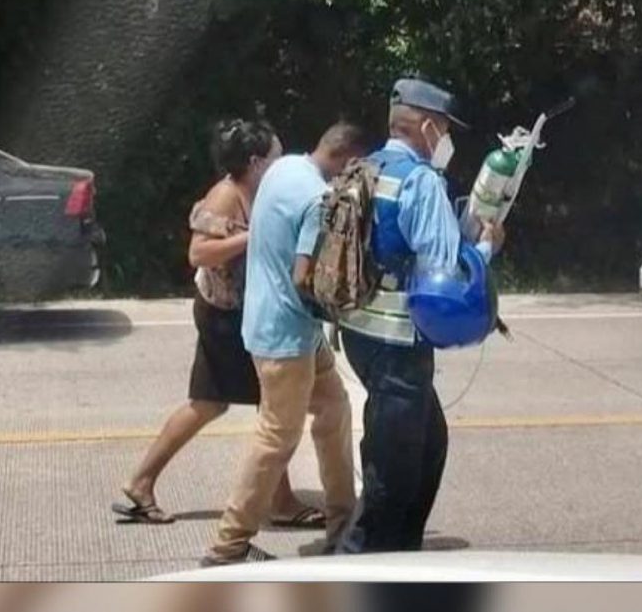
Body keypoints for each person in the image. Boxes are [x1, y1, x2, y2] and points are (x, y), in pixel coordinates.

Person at [114, 118, 324, 528]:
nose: (282, 162)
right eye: (276, 156)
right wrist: (254, 235)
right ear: (255, 161)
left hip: (243, 312)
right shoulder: (227, 194)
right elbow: (198, 253)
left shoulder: (259, 190)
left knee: (252, 407)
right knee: (226, 405)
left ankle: (276, 497)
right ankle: (145, 482)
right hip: (223, 315)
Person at [335, 78, 505, 554]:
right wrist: (488, 247)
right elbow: (444, 278)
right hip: (397, 341)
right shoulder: (420, 181)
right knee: (394, 473)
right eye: (445, 129)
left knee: (429, 443)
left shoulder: (366, 169)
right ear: (428, 127)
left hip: (361, 333)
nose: (447, 139)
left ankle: (403, 551)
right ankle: (364, 563)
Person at [200, 121, 367, 565]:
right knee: (276, 435)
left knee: (334, 408)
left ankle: (342, 523)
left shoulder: (284, 167)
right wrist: (344, 306)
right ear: (349, 162)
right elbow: (303, 276)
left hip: (274, 325)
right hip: (286, 336)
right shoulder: (317, 200)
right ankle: (228, 546)